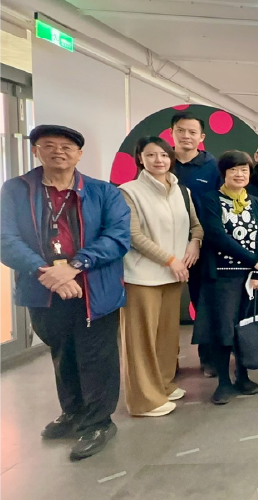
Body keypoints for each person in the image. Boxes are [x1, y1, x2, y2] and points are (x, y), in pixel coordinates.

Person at [1, 125, 130, 460]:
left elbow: (118, 237)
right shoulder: (16, 190)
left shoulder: (103, 192)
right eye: (49, 145)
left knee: (97, 357)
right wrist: (45, 272)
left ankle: (98, 422)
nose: (58, 151)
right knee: (62, 352)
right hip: (43, 288)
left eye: (67, 147)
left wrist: (75, 265)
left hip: (94, 289)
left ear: (79, 155)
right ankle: (73, 412)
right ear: (35, 151)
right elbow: (6, 238)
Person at [118, 137, 204, 417]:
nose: (159, 160)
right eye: (151, 155)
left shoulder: (182, 191)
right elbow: (133, 235)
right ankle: (144, 400)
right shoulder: (128, 191)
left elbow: (196, 226)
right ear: (140, 158)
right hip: (143, 276)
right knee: (141, 340)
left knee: (167, 336)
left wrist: (194, 243)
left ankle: (164, 384)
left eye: (164, 155)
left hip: (174, 276)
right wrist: (170, 259)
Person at [193, 151, 258, 404]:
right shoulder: (211, 199)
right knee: (222, 329)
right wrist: (253, 261)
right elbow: (217, 236)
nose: (239, 174)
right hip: (222, 277)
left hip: (249, 278)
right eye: (234, 169)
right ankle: (223, 382)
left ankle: (243, 376)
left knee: (244, 329)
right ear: (224, 173)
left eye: (244, 170)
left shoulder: (255, 202)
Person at [170, 112, 221, 378]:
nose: (186, 136)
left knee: (204, 304)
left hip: (203, 246)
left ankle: (208, 358)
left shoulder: (213, 166)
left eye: (192, 132)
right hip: (165, 247)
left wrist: (199, 240)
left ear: (201, 137)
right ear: (172, 133)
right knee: (165, 308)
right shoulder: (162, 161)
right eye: (181, 130)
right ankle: (167, 362)